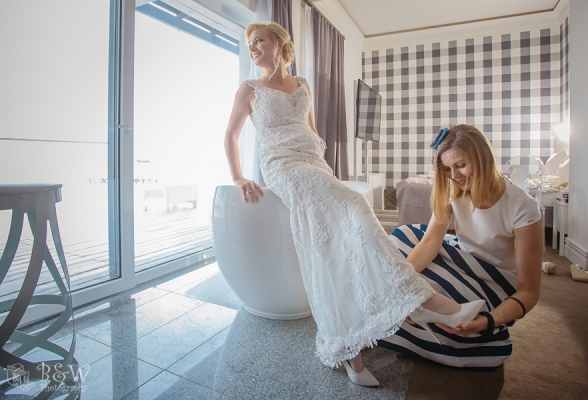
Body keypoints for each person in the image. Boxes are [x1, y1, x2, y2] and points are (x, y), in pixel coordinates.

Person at [224, 22, 484, 386]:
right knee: (357, 206)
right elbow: (231, 135)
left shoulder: (304, 86)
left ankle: (349, 348)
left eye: (258, 41)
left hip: (314, 165)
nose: (252, 48)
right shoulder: (249, 89)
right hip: (282, 166)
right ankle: (424, 302)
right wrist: (238, 177)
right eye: (249, 43)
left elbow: (313, 133)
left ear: (279, 44)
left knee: (334, 246)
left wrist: (325, 171)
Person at [379, 124, 543, 369]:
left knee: (426, 293)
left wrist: (489, 320)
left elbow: (529, 291)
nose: (454, 175)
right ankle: (419, 303)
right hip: (464, 259)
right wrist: (399, 286)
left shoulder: (521, 206)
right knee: (403, 235)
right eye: (447, 169)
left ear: (484, 158)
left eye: (461, 165)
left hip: (494, 281)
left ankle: (431, 310)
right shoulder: (454, 190)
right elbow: (430, 243)